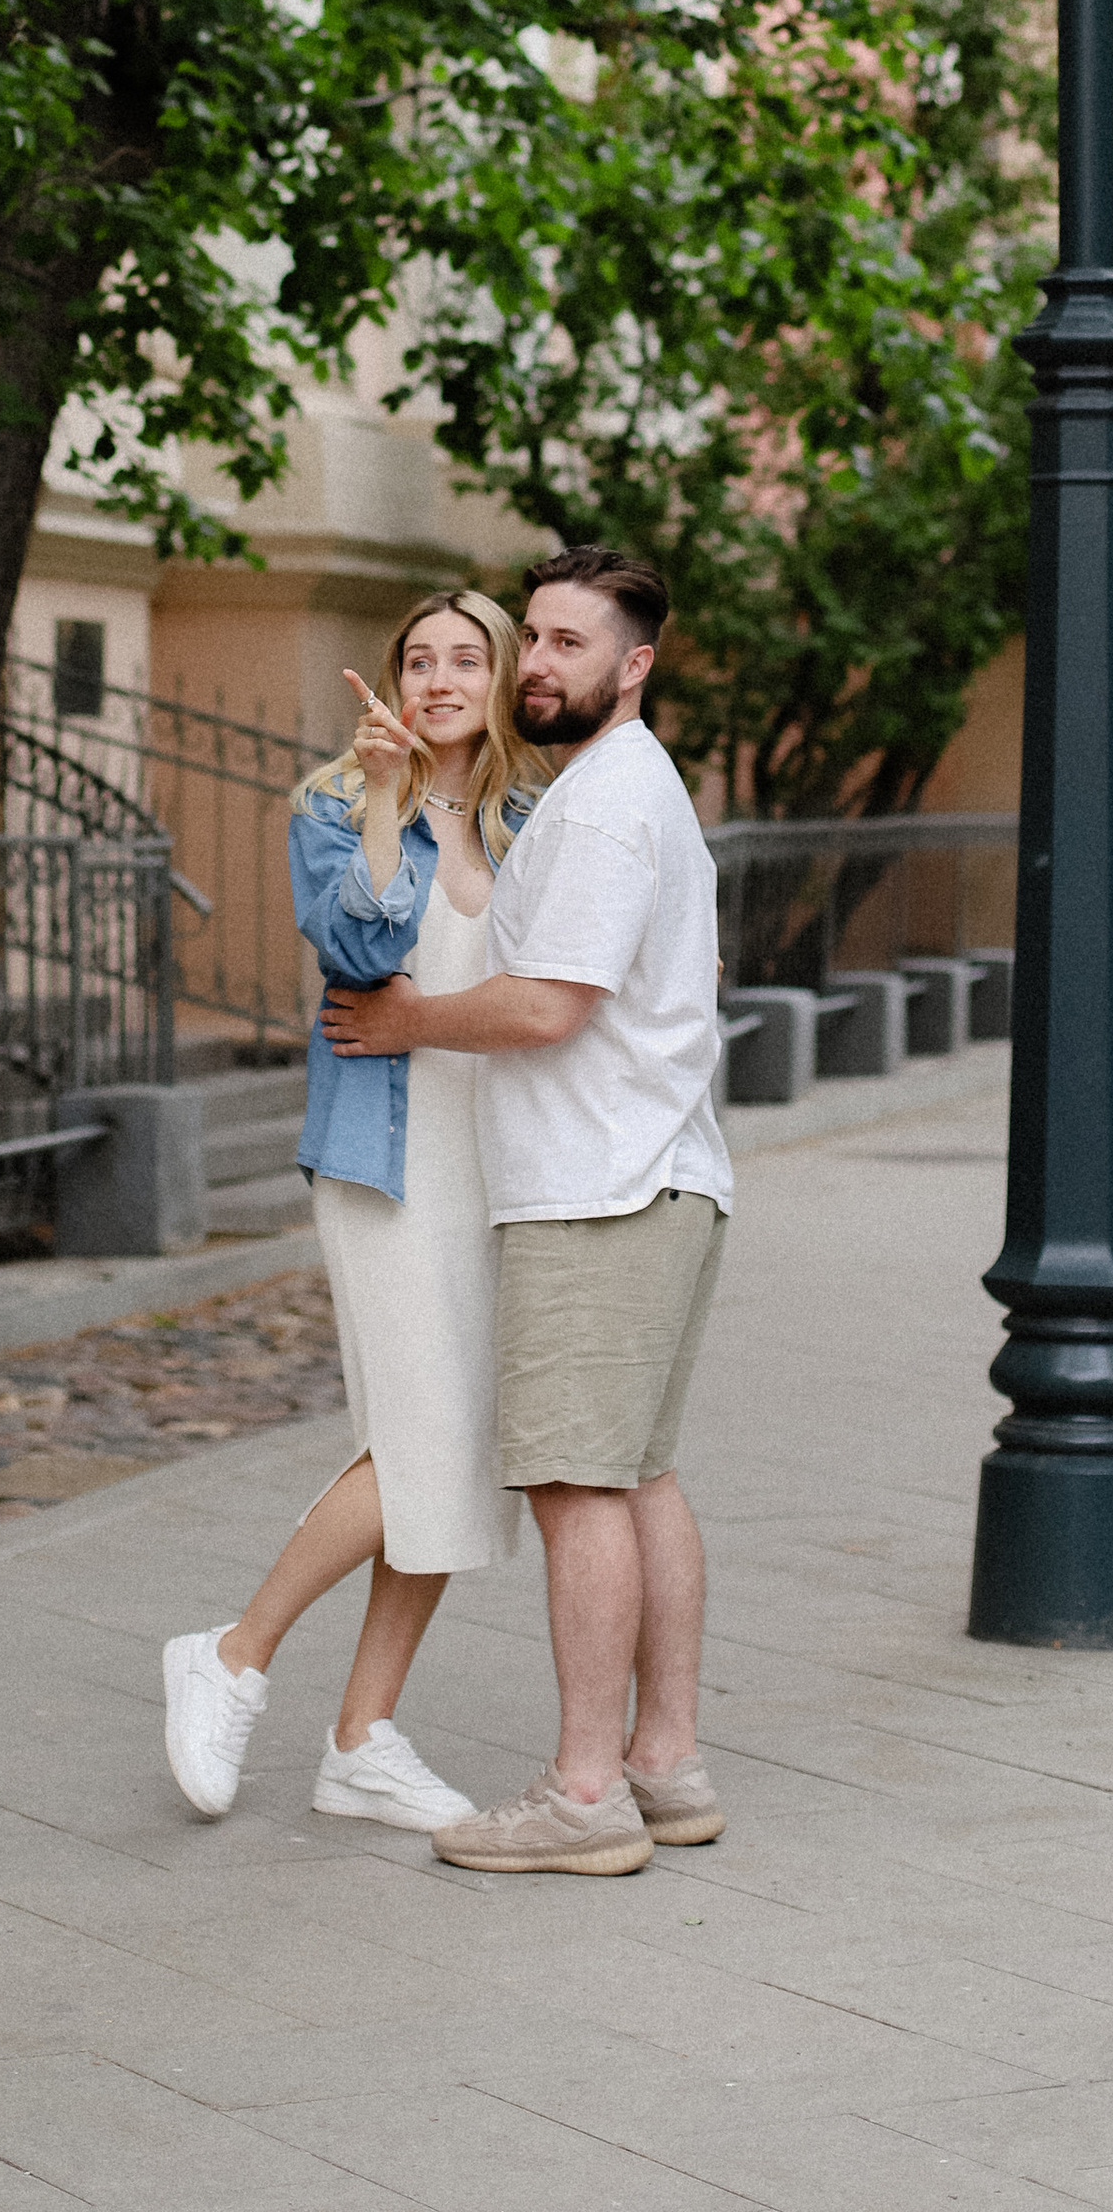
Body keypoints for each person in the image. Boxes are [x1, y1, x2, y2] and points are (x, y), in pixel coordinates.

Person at [326, 545, 730, 1883]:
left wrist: (404, 1024)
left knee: (575, 1489)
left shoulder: (609, 803)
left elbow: (550, 1003)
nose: (542, 665)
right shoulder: (602, 793)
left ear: (637, 665)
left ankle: (583, 1793)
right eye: (536, 640)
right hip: (651, 1175)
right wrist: (439, 812)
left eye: (571, 645)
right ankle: (663, 1762)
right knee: (640, 1476)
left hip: (596, 1187)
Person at [160, 590, 545, 1833]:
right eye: (418, 659)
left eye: (465, 658)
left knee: (450, 1450)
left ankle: (361, 1741)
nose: (439, 678)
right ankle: (231, 1654)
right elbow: (361, 956)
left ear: (501, 678)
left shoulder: (534, 817)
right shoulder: (330, 806)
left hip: (503, 1160)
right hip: (386, 1156)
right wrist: (385, 797)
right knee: (432, 1438)